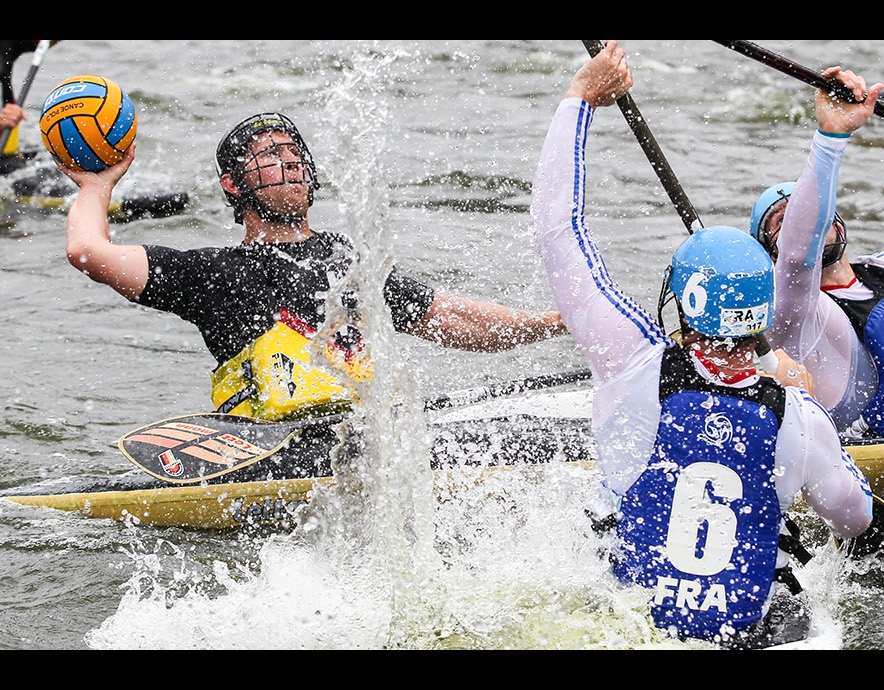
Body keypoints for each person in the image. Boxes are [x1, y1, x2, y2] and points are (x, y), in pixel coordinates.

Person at [530, 41, 873, 648]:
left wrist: (580, 99)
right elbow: (855, 516)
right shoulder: (798, 416)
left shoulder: (630, 362)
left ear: (681, 304)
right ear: (762, 313)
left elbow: (559, 229)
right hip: (759, 633)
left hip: (624, 627)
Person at [55, 111, 568, 424]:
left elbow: (454, 320)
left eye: (294, 152)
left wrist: (563, 321)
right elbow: (87, 253)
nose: (291, 161)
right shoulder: (214, 273)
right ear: (233, 185)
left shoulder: (348, 264)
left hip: (361, 434)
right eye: (270, 154)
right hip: (266, 443)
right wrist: (97, 186)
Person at [749, 67, 884, 440]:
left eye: (802, 209)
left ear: (837, 225)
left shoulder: (877, 268)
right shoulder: (792, 313)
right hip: (859, 434)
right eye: (780, 220)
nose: (795, 220)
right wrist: (831, 137)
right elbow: (797, 257)